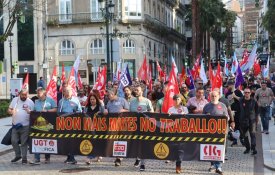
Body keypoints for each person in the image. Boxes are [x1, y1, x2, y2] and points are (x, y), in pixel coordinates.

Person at [203, 90, 229, 175]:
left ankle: (218, 166)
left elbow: (227, 117)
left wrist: (225, 118)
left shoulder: (223, 106)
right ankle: (213, 165)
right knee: (211, 148)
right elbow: (202, 118)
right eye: (212, 96)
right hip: (210, 131)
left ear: (219, 96)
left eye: (215, 96)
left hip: (221, 131)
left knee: (220, 149)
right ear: (210, 97)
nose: (214, 97)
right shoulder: (207, 106)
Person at [30, 87, 57, 165]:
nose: (38, 94)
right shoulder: (36, 101)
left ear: (44, 93)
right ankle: (36, 159)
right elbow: (34, 111)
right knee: (36, 141)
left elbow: (55, 109)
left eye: (39, 93)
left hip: (48, 124)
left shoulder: (50, 100)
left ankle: (47, 158)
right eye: (37, 93)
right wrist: (30, 112)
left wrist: (47, 111)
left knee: (47, 141)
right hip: (37, 124)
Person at [129, 84, 154, 171]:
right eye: (135, 90)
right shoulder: (132, 101)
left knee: (143, 145)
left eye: (137, 90)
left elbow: (152, 112)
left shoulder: (147, 101)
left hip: (144, 127)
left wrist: (145, 115)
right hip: (135, 127)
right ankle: (137, 158)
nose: (136, 91)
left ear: (142, 91)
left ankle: (143, 164)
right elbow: (130, 113)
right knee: (136, 144)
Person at [8, 88, 34, 164]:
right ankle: (18, 155)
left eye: (25, 95)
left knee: (24, 143)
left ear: (27, 94)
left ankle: (24, 158)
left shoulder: (30, 102)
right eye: (22, 95)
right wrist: (11, 111)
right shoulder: (15, 100)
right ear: (19, 94)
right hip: (15, 126)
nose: (24, 96)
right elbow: (9, 110)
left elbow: (35, 114)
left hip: (25, 126)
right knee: (13, 141)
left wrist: (30, 112)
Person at [104, 88, 129, 166]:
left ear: (114, 94)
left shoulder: (122, 100)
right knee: (113, 140)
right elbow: (106, 111)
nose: (108, 97)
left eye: (109, 95)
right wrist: (105, 111)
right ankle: (117, 156)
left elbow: (129, 110)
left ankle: (119, 158)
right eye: (107, 95)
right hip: (112, 124)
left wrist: (123, 111)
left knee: (121, 139)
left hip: (122, 123)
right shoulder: (108, 102)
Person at [58, 85, 82, 164]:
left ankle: (72, 157)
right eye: (65, 91)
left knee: (72, 140)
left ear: (71, 91)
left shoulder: (76, 100)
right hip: (64, 124)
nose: (67, 92)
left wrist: (73, 114)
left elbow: (80, 111)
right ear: (63, 92)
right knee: (66, 140)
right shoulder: (61, 101)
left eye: (68, 91)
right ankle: (68, 157)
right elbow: (58, 112)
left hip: (73, 123)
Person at [233, 87, 258, 155]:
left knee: (253, 135)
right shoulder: (241, 99)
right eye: (245, 92)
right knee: (245, 136)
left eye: (248, 92)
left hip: (252, 121)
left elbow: (257, 112)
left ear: (250, 93)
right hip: (243, 121)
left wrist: (256, 122)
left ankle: (253, 149)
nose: (246, 94)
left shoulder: (254, 101)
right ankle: (248, 148)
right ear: (244, 93)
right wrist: (233, 90)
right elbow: (235, 96)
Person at [168, 94, 188, 174]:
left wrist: (184, 115)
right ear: (173, 100)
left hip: (181, 132)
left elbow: (188, 120)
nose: (177, 101)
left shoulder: (185, 109)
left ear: (181, 100)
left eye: (178, 99)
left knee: (180, 149)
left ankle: (178, 165)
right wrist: (169, 116)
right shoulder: (171, 109)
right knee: (173, 148)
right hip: (173, 132)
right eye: (175, 99)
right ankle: (172, 159)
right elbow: (167, 120)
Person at [84, 92, 104, 164]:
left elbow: (104, 113)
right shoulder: (87, 107)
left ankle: (96, 155)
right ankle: (90, 156)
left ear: (96, 99)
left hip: (98, 127)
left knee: (98, 141)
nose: (92, 100)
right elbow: (84, 115)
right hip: (89, 127)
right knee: (91, 141)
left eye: (94, 99)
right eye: (91, 99)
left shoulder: (99, 107)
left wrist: (102, 105)